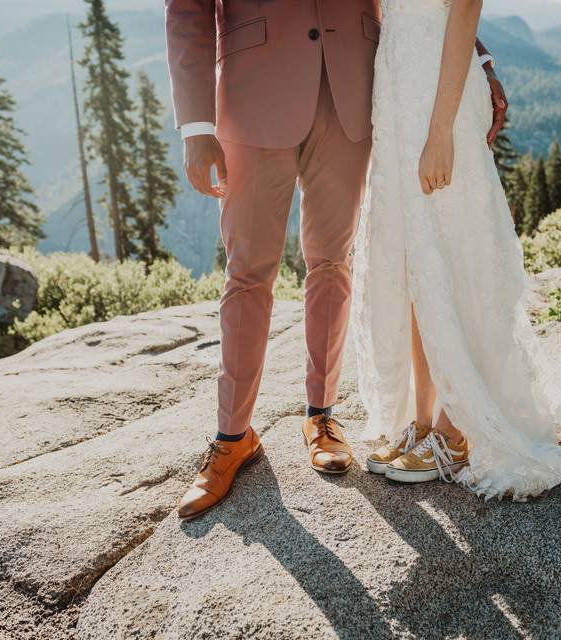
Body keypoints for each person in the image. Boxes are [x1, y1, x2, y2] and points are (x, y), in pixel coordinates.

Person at [164, 0, 508, 519]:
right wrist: (195, 127)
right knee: (248, 273)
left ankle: (321, 417)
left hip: (353, 94)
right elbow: (186, 9)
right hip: (253, 96)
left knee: (331, 262)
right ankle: (232, 436)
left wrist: (477, 59)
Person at [354, 0, 561, 500]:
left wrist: (440, 131)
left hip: (439, 96)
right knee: (414, 259)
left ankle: (454, 431)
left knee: (452, 249)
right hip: (394, 83)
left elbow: (465, 9)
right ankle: (423, 417)